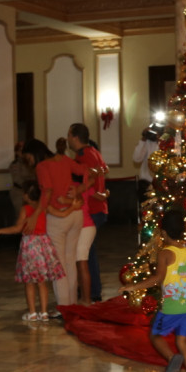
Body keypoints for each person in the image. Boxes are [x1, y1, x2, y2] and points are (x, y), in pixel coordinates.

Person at [120, 208, 186, 372]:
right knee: (182, 342)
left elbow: (158, 279)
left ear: (164, 232)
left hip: (172, 307)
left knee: (155, 335)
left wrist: (133, 287)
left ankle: (172, 358)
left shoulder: (165, 253)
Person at [0, 184, 66, 322]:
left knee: (29, 282)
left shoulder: (25, 209)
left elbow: (18, 228)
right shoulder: (44, 207)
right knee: (42, 282)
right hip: (43, 244)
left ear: (26, 196)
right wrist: (73, 206)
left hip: (30, 246)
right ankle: (44, 313)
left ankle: (33, 313)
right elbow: (62, 214)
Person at [29, 143, 85, 309]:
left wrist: (36, 214)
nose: (28, 161)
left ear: (33, 154)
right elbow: (85, 171)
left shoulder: (42, 166)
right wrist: (79, 191)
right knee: (70, 260)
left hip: (58, 217)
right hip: (76, 213)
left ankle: (64, 307)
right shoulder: (65, 159)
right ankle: (72, 303)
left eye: (28, 157)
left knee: (59, 264)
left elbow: (47, 190)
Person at [69, 124, 108, 302]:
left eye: (69, 135)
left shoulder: (83, 155)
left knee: (85, 255)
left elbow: (89, 180)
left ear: (75, 137)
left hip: (91, 209)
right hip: (98, 207)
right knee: (87, 253)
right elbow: (102, 172)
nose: (68, 139)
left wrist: (79, 191)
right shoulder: (94, 151)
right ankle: (91, 291)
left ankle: (92, 292)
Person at [8, 142, 37, 218]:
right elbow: (18, 179)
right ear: (17, 152)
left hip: (31, 194)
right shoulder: (15, 164)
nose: (23, 153)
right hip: (19, 193)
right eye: (21, 150)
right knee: (21, 216)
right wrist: (31, 184)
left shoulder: (31, 163)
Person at [132, 126, 158, 207]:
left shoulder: (167, 142)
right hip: (146, 183)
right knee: (144, 210)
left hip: (161, 183)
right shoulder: (147, 141)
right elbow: (136, 159)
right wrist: (143, 139)